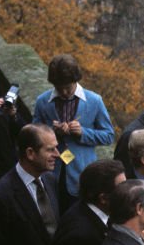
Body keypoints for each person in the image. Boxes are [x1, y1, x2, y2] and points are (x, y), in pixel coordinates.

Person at [32, 54, 115, 208]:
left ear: (76, 80)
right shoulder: (42, 101)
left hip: (83, 175)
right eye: (59, 87)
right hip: (50, 173)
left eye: (68, 87)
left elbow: (109, 136)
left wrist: (83, 133)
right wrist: (51, 132)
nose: (63, 92)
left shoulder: (94, 100)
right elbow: (33, 134)